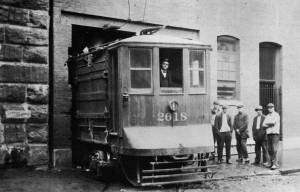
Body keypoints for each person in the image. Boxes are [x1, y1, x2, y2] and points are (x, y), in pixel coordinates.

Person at [262, 103, 281, 170]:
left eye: (271, 107)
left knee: (274, 149)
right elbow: (263, 125)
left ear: (273, 108)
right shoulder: (267, 116)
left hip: (275, 134)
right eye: (269, 108)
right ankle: (271, 163)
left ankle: (275, 164)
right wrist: (269, 124)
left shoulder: (276, 115)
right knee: (269, 149)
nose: (270, 109)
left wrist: (268, 124)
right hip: (269, 134)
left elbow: (273, 123)